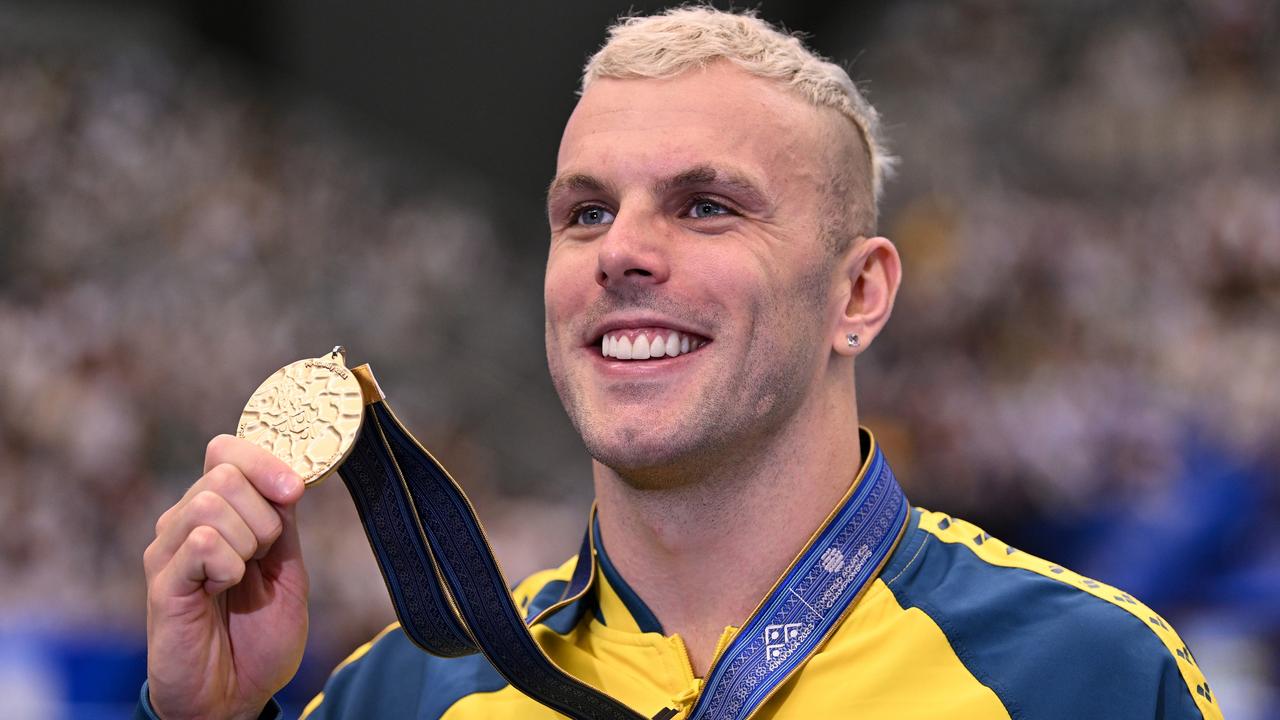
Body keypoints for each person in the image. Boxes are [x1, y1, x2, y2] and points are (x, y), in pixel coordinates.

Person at [138, 7, 1220, 719]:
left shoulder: (1090, 676)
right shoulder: (404, 693)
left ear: (858, 293)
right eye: (585, 211)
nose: (620, 253)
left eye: (705, 206)